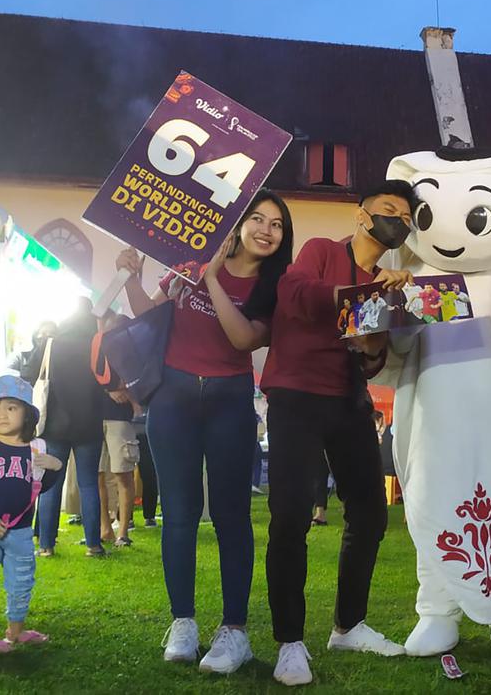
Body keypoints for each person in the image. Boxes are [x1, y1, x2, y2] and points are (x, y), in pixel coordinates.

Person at [116, 188, 293, 674]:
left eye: (276, 224)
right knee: (179, 514)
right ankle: (184, 622)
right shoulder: (189, 261)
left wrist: (211, 277)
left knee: (233, 516)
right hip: (172, 398)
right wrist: (133, 275)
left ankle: (234, 630)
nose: (265, 229)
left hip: (230, 400)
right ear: (237, 223)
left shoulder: (273, 286)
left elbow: (243, 338)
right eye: (256, 218)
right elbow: (145, 316)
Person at [260, 179, 416, 685]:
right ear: (362, 215)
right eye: (390, 209)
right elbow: (295, 294)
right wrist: (363, 294)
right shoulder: (322, 251)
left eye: (408, 217)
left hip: (348, 397)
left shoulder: (395, 283)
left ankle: (348, 624)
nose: (399, 220)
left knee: (369, 513)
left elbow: (371, 361)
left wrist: (375, 339)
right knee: (289, 516)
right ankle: (290, 641)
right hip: (296, 391)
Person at [0, 376, 63, 652]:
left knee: (21, 580)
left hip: (19, 532)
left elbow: (41, 488)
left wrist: (55, 468)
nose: (1, 415)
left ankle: (15, 632)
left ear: (28, 414)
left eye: (11, 407)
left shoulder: (36, 450)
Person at [31, 298, 106, 558]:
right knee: (88, 484)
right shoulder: (96, 344)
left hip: (55, 426)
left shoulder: (52, 344)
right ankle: (93, 545)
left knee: (52, 484)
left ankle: (46, 546)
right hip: (90, 424)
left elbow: (31, 374)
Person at [91, 313, 138, 547]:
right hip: (98, 418)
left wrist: (125, 393)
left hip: (119, 419)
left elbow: (141, 382)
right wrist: (110, 390)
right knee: (99, 476)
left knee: (122, 474)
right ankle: (105, 528)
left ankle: (122, 531)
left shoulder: (133, 353)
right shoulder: (95, 350)